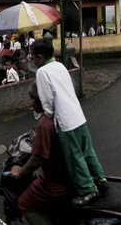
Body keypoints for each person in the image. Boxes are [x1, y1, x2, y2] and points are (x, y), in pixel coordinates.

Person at [32, 39, 106, 206]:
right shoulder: (60, 65)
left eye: (32, 58)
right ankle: (100, 178)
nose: (33, 61)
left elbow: (47, 100)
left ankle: (88, 190)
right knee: (87, 150)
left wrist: (48, 116)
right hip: (78, 115)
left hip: (65, 120)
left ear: (40, 56)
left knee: (75, 157)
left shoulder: (42, 72)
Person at [11, 82, 74, 225]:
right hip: (73, 174)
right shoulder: (64, 112)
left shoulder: (45, 124)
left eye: (33, 100)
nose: (31, 103)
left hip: (56, 183)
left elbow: (38, 159)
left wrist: (20, 171)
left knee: (24, 203)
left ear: (42, 101)